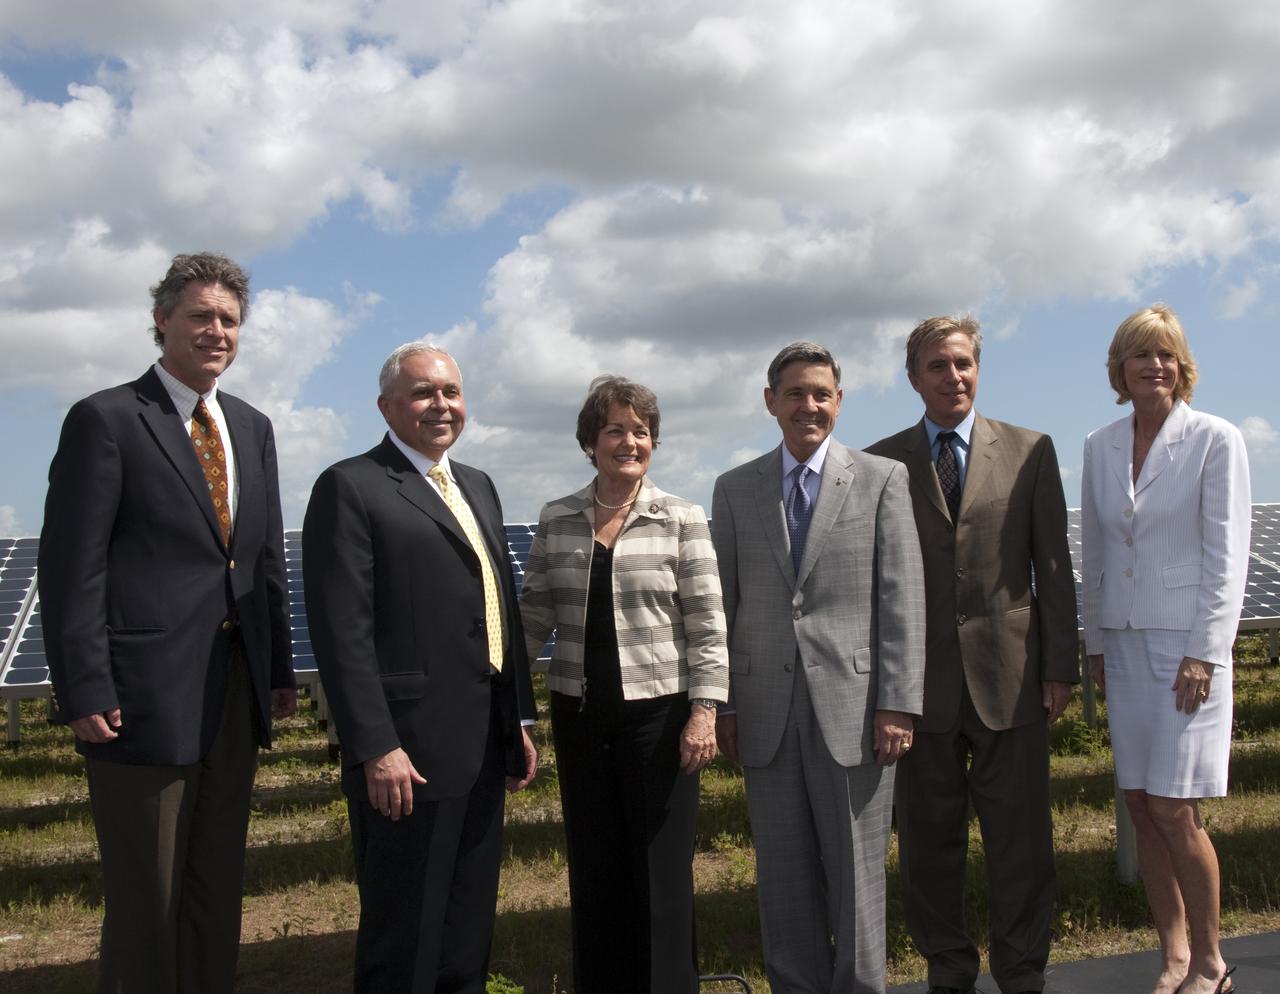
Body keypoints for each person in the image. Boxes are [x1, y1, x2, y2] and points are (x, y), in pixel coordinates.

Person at [37, 252, 298, 994]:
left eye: (229, 320)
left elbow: (263, 560)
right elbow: (72, 566)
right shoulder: (107, 418)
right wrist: (84, 685)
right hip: (139, 700)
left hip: (235, 692)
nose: (217, 331)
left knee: (217, 885)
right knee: (147, 897)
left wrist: (278, 670)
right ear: (161, 321)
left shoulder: (251, 426)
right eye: (200, 316)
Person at [302, 342, 537, 994]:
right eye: (423, 393)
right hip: (407, 755)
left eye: (451, 392)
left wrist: (516, 717)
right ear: (386, 407)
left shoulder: (477, 486)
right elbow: (341, 633)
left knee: (466, 933)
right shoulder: (351, 486)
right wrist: (376, 746)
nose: (441, 405)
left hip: (482, 746)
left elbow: (499, 608)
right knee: (403, 938)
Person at [867, 315, 1078, 994]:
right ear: (913, 379)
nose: (953, 376)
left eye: (963, 363)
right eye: (937, 365)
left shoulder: (1030, 450)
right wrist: (882, 687)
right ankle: (948, 969)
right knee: (928, 845)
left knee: (1022, 842)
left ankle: (1022, 971)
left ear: (978, 369)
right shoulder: (879, 464)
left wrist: (1059, 667)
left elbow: (1052, 565)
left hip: (1011, 680)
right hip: (918, 686)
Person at [710, 341, 925, 994]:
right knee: (783, 877)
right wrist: (725, 703)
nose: (809, 405)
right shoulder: (735, 488)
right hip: (764, 711)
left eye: (821, 394)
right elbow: (723, 603)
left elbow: (902, 598)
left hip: (856, 712)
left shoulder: (882, 479)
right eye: (795, 393)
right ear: (770, 401)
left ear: (839, 401)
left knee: (858, 878)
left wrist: (898, 703)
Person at [518, 375, 729, 994]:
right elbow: (532, 615)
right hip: (581, 716)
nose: (629, 442)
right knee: (594, 868)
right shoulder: (558, 517)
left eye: (641, 431)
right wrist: (496, 690)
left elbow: (707, 623)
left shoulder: (681, 518)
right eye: (615, 430)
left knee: (660, 872)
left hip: (660, 720)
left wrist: (704, 711)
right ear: (591, 441)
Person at [1081, 304, 1248, 994]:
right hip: (1123, 646)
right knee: (1142, 805)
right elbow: (1095, 549)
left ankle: (1211, 962)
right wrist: (1095, 639)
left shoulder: (1215, 439)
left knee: (1177, 810)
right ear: (1119, 367)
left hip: (1186, 652)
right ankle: (1173, 956)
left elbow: (1227, 557)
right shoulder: (1099, 444)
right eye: (1141, 354)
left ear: (1183, 366)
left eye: (1166, 354)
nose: (1154, 365)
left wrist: (1206, 652)